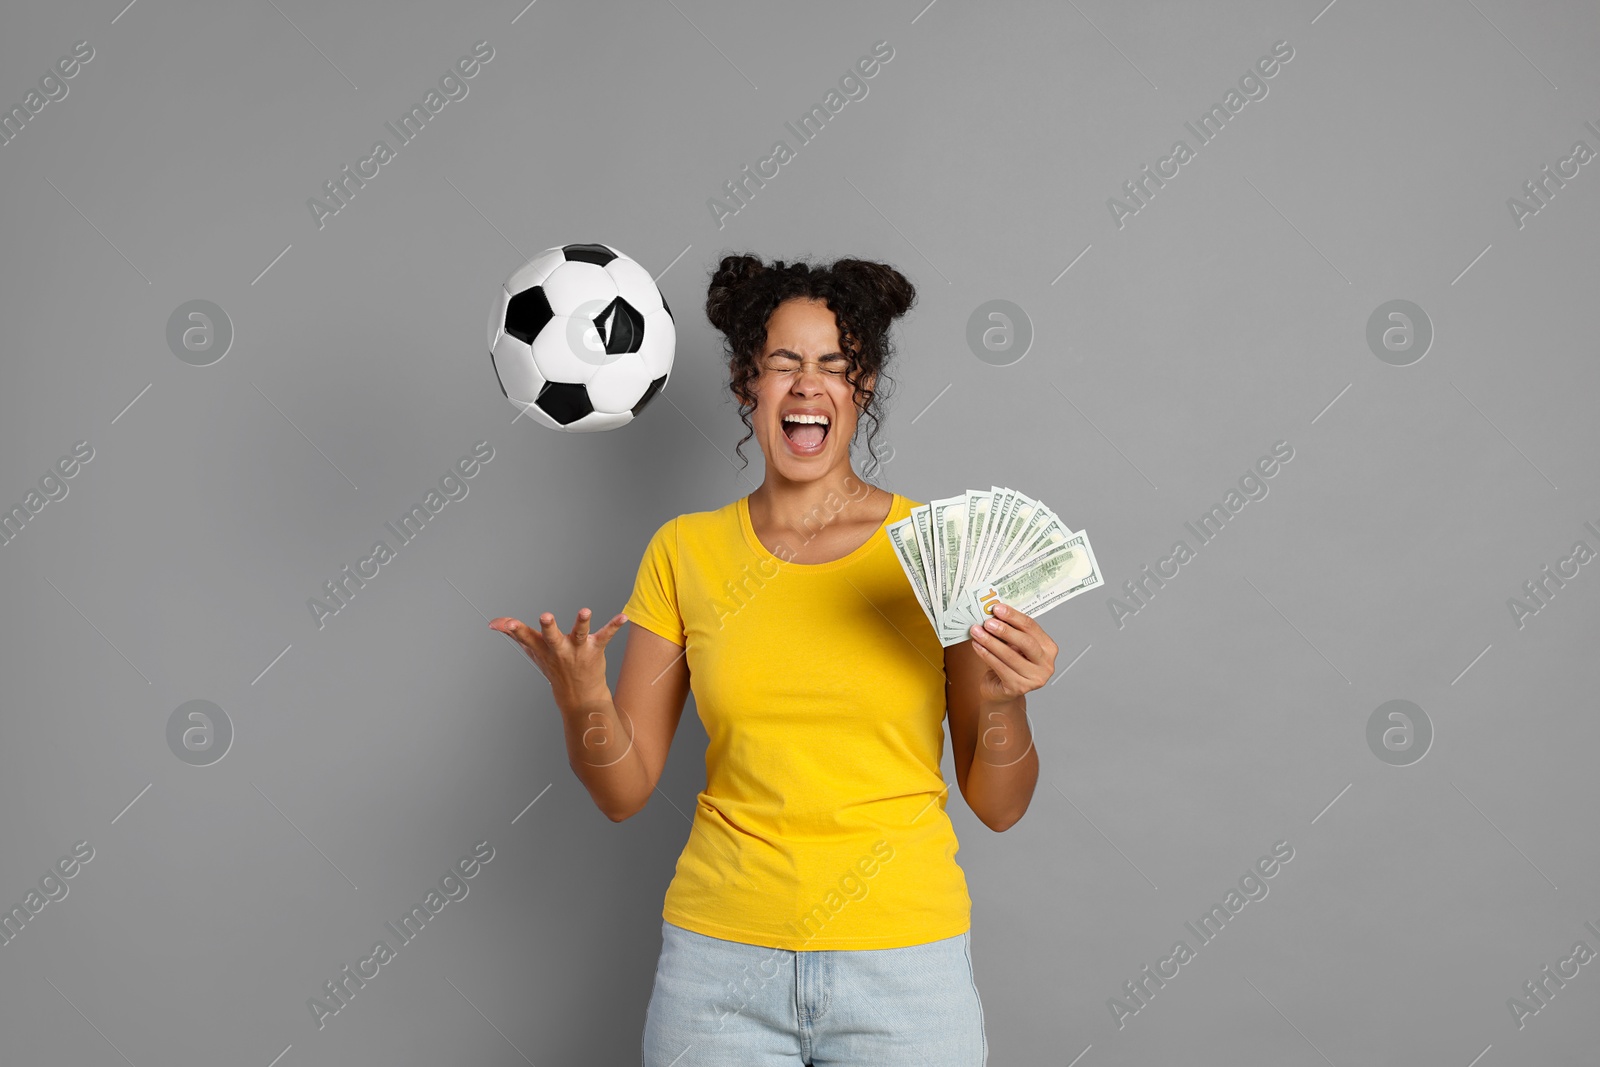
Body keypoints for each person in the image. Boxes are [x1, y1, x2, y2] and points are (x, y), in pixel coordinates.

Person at [490, 254, 1059, 1066]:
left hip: (904, 966)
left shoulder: (943, 547)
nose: (806, 385)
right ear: (744, 385)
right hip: (719, 969)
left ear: (863, 389)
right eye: (782, 363)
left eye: (834, 365)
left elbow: (999, 805)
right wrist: (582, 701)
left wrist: (1005, 700)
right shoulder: (684, 551)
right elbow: (623, 790)